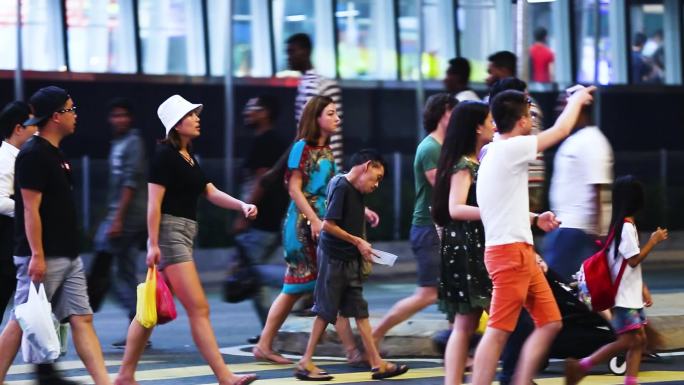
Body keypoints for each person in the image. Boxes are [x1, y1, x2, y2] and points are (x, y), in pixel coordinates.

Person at [113, 95, 258, 385]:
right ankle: (224, 376)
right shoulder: (164, 156)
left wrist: (241, 205)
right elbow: (154, 204)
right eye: (191, 115)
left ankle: (125, 375)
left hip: (183, 234)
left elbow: (211, 191)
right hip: (170, 236)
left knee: (149, 310)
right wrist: (153, 244)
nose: (197, 118)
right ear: (177, 124)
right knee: (199, 308)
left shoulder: (188, 156)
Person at [471, 85, 596, 385]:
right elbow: (562, 129)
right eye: (530, 117)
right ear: (523, 121)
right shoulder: (510, 148)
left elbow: (501, 203)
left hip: (521, 252)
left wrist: (536, 218)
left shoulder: (492, 150)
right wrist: (577, 99)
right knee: (499, 330)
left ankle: (521, 381)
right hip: (509, 254)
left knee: (551, 322)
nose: (533, 124)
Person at [0, 86, 111, 385]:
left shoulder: (55, 154)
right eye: (71, 109)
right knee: (20, 321)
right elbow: (29, 209)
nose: (75, 115)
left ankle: (104, 381)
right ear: (56, 116)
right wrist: (36, 255)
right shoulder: (33, 155)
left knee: (82, 318)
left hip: (67, 253)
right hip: (42, 255)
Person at [253, 95, 366, 366]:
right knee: (304, 286)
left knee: (318, 286)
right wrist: (314, 220)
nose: (337, 118)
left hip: (321, 224)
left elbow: (336, 185)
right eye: (330, 113)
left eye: (336, 113)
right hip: (302, 226)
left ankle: (266, 344)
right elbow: (293, 189)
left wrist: (361, 210)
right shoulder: (301, 147)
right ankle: (352, 351)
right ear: (316, 118)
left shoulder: (326, 150)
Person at [295, 149, 409, 381]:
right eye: (377, 178)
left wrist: (363, 224)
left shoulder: (355, 190)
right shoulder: (341, 185)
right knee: (325, 310)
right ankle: (305, 362)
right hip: (334, 257)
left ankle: (377, 363)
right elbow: (328, 224)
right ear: (367, 166)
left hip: (349, 259)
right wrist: (358, 241)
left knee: (359, 310)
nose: (377, 185)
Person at [372, 93, 458, 347]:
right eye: (454, 112)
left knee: (455, 293)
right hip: (429, 228)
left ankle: (459, 349)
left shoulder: (445, 147)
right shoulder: (430, 147)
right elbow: (441, 184)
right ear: (443, 113)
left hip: (444, 228)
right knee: (428, 294)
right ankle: (376, 333)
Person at [565, 176, 668, 385]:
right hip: (624, 298)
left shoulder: (623, 226)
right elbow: (633, 260)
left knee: (639, 341)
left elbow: (626, 267)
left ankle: (630, 381)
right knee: (629, 340)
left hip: (630, 295)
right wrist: (653, 241)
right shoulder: (626, 228)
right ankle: (582, 366)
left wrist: (642, 288)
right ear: (636, 200)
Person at [431, 101, 495, 385]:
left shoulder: (471, 160)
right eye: (490, 120)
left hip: (467, 245)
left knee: (466, 324)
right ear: (476, 127)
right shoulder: (464, 164)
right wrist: (494, 211)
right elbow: (455, 208)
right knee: (495, 322)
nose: (494, 125)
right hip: (470, 247)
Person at [87, 98, 148, 348]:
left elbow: (130, 183)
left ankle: (138, 322)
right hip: (120, 217)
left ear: (130, 119)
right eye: (115, 116)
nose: (119, 120)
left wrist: (118, 219)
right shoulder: (120, 143)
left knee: (108, 270)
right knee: (122, 271)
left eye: (123, 115)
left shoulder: (133, 143)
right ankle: (139, 324)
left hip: (128, 219)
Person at [232, 95, 289, 343]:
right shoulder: (269, 141)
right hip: (272, 218)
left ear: (265, 113)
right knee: (254, 275)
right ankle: (271, 331)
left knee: (253, 274)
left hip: (262, 219)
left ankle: (300, 286)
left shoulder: (265, 142)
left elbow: (261, 180)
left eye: (252, 108)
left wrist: (246, 213)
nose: (247, 112)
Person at [544, 92, 613, 281]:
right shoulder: (577, 139)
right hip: (566, 228)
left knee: (555, 288)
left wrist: (599, 236)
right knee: (575, 292)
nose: (559, 113)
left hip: (577, 230)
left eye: (564, 107)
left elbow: (598, 188)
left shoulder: (592, 141)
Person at [0, 101, 37, 323]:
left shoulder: (21, 157)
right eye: (32, 124)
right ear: (18, 128)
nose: (37, 129)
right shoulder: (5, 159)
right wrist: (29, 209)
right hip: (5, 248)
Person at [288, 33, 344, 171]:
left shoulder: (315, 84)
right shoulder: (310, 82)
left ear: (305, 51)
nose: (288, 57)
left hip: (318, 163)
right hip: (320, 160)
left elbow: (307, 131)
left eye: (292, 52)